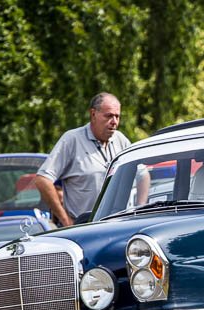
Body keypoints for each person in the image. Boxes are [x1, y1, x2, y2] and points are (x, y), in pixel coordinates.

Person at [36, 92, 144, 226]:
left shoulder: (120, 140)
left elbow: (143, 174)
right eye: (109, 116)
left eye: (117, 116)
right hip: (84, 228)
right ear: (93, 114)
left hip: (118, 225)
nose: (114, 122)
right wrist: (66, 221)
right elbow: (43, 180)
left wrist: (140, 210)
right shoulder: (72, 140)